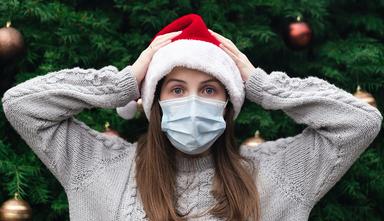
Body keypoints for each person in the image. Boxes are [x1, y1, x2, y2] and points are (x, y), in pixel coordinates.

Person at [1, 13, 382, 221]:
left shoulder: (279, 174)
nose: (194, 101)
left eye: (210, 89)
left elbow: (360, 121)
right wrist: (126, 81)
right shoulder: (98, 167)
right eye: (177, 89)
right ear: (155, 101)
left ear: (229, 105)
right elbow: (21, 105)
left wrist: (261, 85)